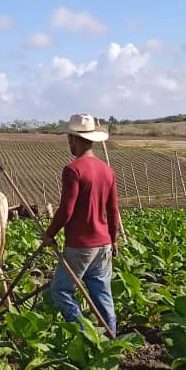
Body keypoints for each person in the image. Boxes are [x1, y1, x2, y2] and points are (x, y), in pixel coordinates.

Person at [42, 113, 120, 338]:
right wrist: (114, 240)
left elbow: (66, 210)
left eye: (69, 138)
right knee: (102, 293)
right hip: (104, 244)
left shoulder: (73, 170)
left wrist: (49, 234)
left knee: (61, 290)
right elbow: (113, 210)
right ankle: (111, 337)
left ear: (74, 139)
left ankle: (86, 334)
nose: (69, 142)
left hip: (80, 246)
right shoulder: (107, 170)